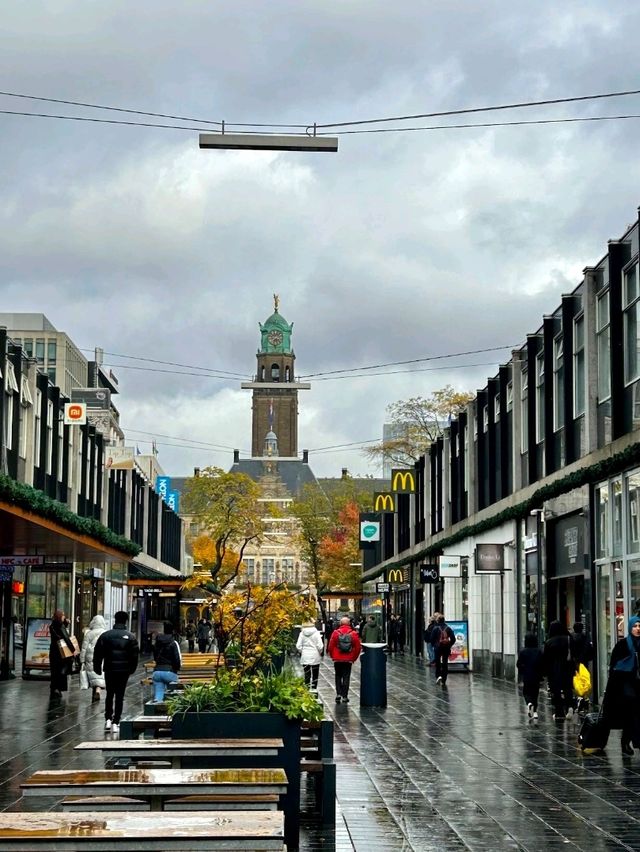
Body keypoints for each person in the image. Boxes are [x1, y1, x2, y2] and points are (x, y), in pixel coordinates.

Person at [93, 611, 139, 734]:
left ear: (115, 620)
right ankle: (116, 722)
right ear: (126, 621)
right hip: (123, 671)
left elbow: (98, 653)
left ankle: (108, 719)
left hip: (109, 669)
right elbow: (134, 656)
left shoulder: (106, 636)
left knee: (109, 693)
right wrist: (132, 669)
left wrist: (97, 667)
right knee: (120, 695)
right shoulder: (131, 637)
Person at [602, 615, 640, 755]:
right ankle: (626, 742)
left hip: (637, 684)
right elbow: (614, 666)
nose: (637, 629)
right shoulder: (623, 645)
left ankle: (631, 740)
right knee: (631, 713)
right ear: (630, 628)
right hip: (625, 685)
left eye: (639, 626)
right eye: (635, 626)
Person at [543, 620, 575, 721]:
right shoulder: (569, 639)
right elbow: (574, 653)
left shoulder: (549, 642)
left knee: (556, 691)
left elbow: (546, 658)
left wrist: (545, 672)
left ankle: (559, 712)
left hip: (554, 669)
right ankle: (570, 707)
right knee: (567, 688)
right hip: (568, 667)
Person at [327, 615, 361, 704]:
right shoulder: (353, 633)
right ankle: (345, 696)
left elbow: (330, 646)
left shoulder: (335, 633)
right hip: (348, 659)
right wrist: (354, 658)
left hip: (337, 658)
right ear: (349, 623)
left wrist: (332, 656)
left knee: (338, 676)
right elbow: (358, 647)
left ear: (340, 623)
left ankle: (338, 694)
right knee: (346, 677)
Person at [49, 609, 77, 696]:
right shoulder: (60, 626)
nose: (64, 617)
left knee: (54, 671)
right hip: (61, 652)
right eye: (63, 615)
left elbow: (59, 632)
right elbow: (65, 638)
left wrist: (65, 623)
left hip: (53, 651)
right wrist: (73, 650)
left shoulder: (53, 624)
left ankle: (54, 688)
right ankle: (57, 688)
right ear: (60, 616)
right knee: (61, 670)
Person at [79, 614, 107, 702]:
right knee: (100, 673)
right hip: (102, 656)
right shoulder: (105, 633)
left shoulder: (89, 633)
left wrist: (82, 659)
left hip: (90, 656)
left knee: (92, 673)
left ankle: (95, 689)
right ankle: (98, 689)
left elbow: (84, 648)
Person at [517, 633, 544, 719]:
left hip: (527, 675)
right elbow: (542, 663)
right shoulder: (539, 651)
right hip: (536, 676)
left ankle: (529, 703)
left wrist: (522, 671)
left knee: (526, 692)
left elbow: (518, 664)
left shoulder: (523, 652)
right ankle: (535, 711)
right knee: (535, 693)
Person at [152, 622, 182, 701]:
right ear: (172, 631)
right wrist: (176, 669)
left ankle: (157, 704)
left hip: (157, 672)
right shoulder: (174, 643)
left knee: (158, 694)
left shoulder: (157, 642)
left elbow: (155, 657)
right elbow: (177, 659)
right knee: (172, 695)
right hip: (170, 672)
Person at [570, 621, 594, 712]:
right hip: (584, 662)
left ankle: (578, 697)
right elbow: (590, 649)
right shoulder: (585, 637)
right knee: (584, 680)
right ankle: (584, 698)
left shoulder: (571, 637)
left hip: (574, 662)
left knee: (576, 680)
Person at [296, 620, 324, 693]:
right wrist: (319, 652)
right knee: (315, 672)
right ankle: (314, 688)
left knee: (307, 673)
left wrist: (302, 651)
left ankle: (307, 687)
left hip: (305, 655)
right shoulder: (316, 633)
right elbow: (320, 646)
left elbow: (298, 646)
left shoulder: (302, 634)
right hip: (315, 655)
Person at [432, 615, 456, 686]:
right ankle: (444, 679)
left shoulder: (435, 628)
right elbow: (453, 639)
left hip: (437, 648)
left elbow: (432, 639)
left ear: (437, 621)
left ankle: (438, 676)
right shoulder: (448, 628)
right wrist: (449, 645)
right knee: (445, 662)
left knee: (438, 662)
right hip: (446, 648)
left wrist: (435, 645)